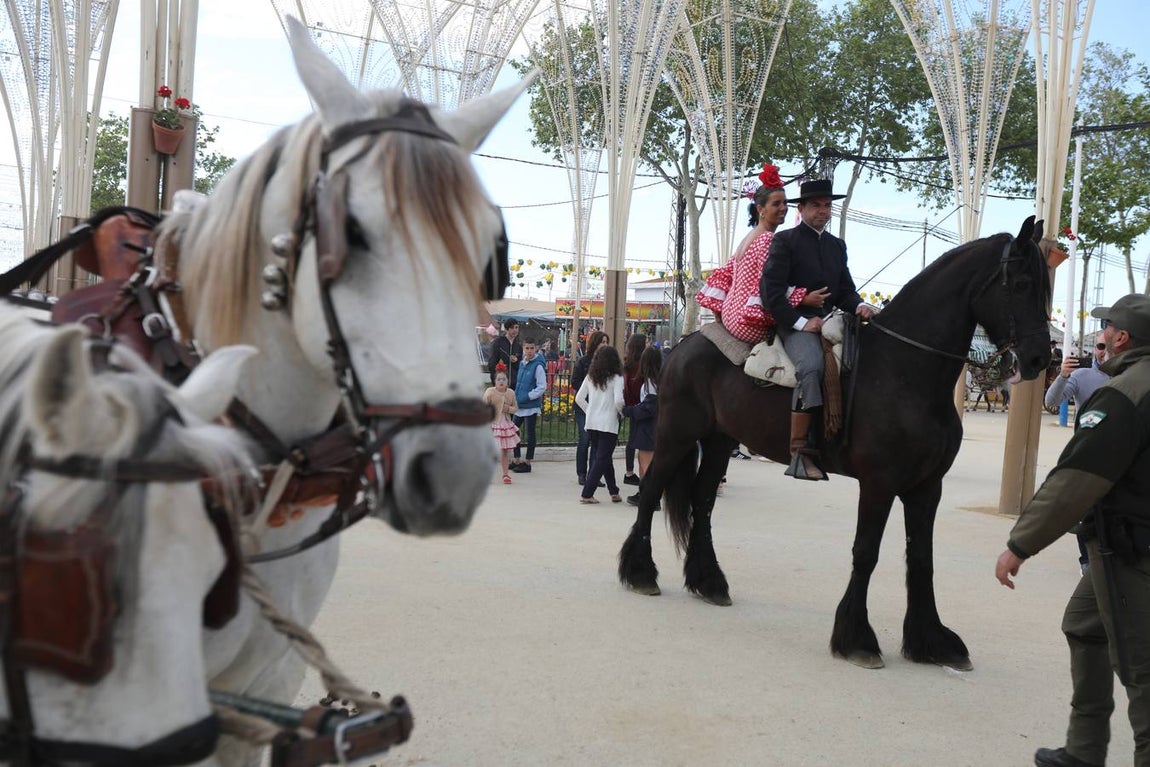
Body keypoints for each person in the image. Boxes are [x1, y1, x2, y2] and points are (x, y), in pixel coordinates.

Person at [994, 293, 1150, 767]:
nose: (1099, 338)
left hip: (1130, 548)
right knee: (1085, 626)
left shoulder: (1125, 394)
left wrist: (1020, 544)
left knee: (1139, 666)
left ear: (1121, 338)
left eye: (1106, 330)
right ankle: (1083, 751)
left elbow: (1077, 480)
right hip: (1120, 544)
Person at [760, 177, 876, 481]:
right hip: (793, 322)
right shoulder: (784, 241)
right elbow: (770, 294)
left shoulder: (837, 246)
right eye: (816, 206)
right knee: (810, 366)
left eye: (827, 206)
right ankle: (800, 450)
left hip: (829, 322)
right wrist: (802, 322)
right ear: (802, 208)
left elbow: (845, 291)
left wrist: (860, 305)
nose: (823, 211)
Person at [575, 344, 625, 504]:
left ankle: (613, 491)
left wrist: (590, 410)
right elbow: (618, 400)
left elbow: (578, 398)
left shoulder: (591, 376)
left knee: (604, 457)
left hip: (591, 422)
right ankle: (587, 493)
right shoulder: (617, 378)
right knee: (602, 458)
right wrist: (622, 412)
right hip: (608, 423)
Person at [623, 345, 662, 508]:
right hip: (651, 426)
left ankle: (650, 496)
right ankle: (644, 492)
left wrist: (630, 411)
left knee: (646, 462)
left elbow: (648, 407)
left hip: (647, 427)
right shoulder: (656, 380)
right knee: (643, 459)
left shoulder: (650, 383)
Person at [571, 330, 609, 486]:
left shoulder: (608, 363)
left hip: (600, 407)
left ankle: (594, 474)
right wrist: (589, 391)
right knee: (585, 439)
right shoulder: (583, 362)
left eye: (607, 342)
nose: (605, 345)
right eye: (602, 342)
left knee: (597, 442)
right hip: (584, 406)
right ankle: (582, 473)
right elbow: (575, 382)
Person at [510, 339, 546, 473]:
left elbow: (542, 386)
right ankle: (517, 458)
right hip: (520, 404)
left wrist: (528, 396)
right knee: (513, 430)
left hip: (530, 405)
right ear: (523, 349)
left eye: (531, 348)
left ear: (536, 349)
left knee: (530, 434)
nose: (529, 351)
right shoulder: (522, 363)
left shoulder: (538, 366)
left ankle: (528, 462)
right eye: (527, 348)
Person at [1046, 342, 1111, 415]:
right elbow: (1051, 401)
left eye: (1111, 345)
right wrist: (1063, 376)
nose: (1106, 351)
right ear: (1095, 349)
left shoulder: (1125, 373)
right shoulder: (1080, 374)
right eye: (1101, 346)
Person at [484, 368, 519, 483]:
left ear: (507, 381)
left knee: (505, 451)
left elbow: (515, 408)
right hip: (492, 424)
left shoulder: (510, 393)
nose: (501, 381)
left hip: (505, 424)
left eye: (504, 379)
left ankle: (505, 474)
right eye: (499, 379)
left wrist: (508, 409)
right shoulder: (490, 392)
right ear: (495, 381)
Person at [621, 333, 648, 486]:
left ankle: (629, 471)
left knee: (631, 439)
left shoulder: (628, 364)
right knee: (645, 441)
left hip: (630, 405)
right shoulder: (641, 366)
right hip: (641, 406)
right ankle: (639, 471)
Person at [488, 318, 522, 386]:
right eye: (512, 327)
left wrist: (516, 361)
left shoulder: (518, 346)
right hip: (500, 382)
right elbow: (492, 363)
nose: (515, 330)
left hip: (513, 383)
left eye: (516, 327)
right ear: (506, 329)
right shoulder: (498, 343)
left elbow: (520, 366)